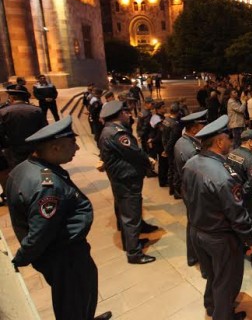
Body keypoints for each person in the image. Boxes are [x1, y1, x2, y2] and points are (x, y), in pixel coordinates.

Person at [6, 116, 112, 320]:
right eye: (73, 143)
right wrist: (22, 257)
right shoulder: (48, 186)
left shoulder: (24, 168)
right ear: (55, 148)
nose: (77, 149)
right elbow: (40, 231)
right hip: (65, 256)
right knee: (74, 300)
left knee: (80, 296)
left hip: (60, 253)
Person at [182, 115, 252, 320]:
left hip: (198, 232)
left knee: (214, 275)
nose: (231, 142)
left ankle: (211, 306)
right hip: (221, 238)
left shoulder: (191, 163)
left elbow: (186, 196)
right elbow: (237, 215)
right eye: (228, 138)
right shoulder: (224, 176)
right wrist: (249, 239)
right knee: (226, 281)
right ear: (219, 142)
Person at [98, 101, 157, 264]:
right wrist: (148, 160)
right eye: (126, 112)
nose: (129, 115)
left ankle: (133, 239)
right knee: (130, 214)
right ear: (120, 114)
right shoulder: (117, 133)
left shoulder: (107, 131)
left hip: (121, 178)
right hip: (126, 179)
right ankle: (134, 253)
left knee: (127, 209)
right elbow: (134, 151)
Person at [227, 129, 252, 270]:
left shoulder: (232, 153)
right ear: (250, 142)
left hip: (234, 195)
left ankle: (243, 248)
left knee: (240, 223)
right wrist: (243, 196)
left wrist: (237, 196)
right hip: (249, 199)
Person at [173, 110, 207, 267]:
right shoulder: (191, 148)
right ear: (194, 129)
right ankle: (197, 256)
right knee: (197, 223)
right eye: (202, 126)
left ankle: (193, 256)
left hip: (188, 188)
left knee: (193, 222)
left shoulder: (183, 141)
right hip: (194, 190)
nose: (204, 128)